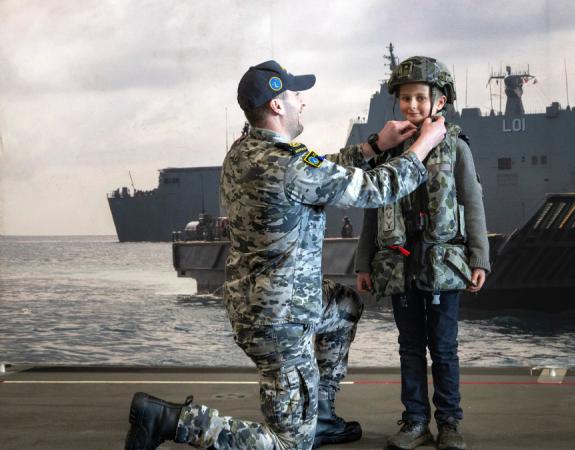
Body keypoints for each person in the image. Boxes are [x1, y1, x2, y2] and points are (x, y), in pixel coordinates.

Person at [124, 59, 447, 450]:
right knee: (289, 444)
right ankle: (172, 421)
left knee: (345, 305)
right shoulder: (290, 165)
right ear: (277, 105)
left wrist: (374, 145)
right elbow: (374, 189)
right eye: (296, 95)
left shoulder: (244, 152)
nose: (302, 103)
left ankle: (321, 417)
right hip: (282, 323)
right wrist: (421, 146)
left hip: (265, 303)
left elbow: (319, 169)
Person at [355, 56, 490, 450]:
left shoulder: (456, 148)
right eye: (404, 99)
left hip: (444, 264)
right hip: (398, 264)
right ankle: (415, 421)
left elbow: (472, 201)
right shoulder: (386, 151)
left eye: (419, 97)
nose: (411, 105)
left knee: (444, 346)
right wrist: (364, 264)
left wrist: (479, 258)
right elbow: (372, 211)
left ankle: (449, 422)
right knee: (410, 345)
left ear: (440, 101)